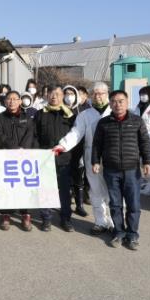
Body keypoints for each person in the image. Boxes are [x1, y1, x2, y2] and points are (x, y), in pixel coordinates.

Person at [92, 90, 150, 250]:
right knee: (115, 204)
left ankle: (132, 235)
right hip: (111, 170)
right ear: (110, 104)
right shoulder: (104, 123)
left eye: (121, 101)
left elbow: (145, 142)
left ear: (127, 102)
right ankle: (119, 232)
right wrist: (95, 161)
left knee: (133, 205)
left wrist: (147, 161)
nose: (117, 104)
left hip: (132, 170)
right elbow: (97, 144)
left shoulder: (137, 121)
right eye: (114, 101)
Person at [54, 82, 113, 235]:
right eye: (95, 93)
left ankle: (114, 222)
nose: (98, 96)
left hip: (112, 157)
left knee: (113, 191)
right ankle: (100, 222)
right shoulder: (85, 115)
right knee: (95, 190)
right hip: (91, 157)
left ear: (107, 94)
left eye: (101, 93)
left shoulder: (114, 111)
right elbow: (76, 133)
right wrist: (62, 145)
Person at [0, 91, 38, 231]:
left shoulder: (27, 118)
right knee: (6, 187)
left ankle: (25, 215)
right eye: (9, 99)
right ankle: (5, 215)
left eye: (14, 99)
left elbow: (30, 135)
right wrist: (15, 148)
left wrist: (22, 149)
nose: (11, 101)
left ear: (20, 101)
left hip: (23, 157)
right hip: (5, 157)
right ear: (5, 101)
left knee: (23, 187)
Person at [34, 86, 76, 232]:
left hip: (64, 159)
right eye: (51, 94)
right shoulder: (40, 114)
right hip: (45, 158)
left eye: (57, 94)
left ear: (62, 96)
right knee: (45, 190)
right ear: (47, 96)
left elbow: (75, 136)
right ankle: (46, 219)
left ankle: (66, 219)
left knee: (64, 191)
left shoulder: (70, 115)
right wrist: (40, 153)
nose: (54, 96)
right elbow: (35, 135)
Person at [63, 85, 88, 217]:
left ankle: (80, 205)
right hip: (64, 148)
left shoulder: (83, 111)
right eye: (66, 93)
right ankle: (65, 205)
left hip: (79, 148)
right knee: (65, 179)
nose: (69, 96)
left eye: (72, 93)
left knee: (79, 177)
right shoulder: (60, 109)